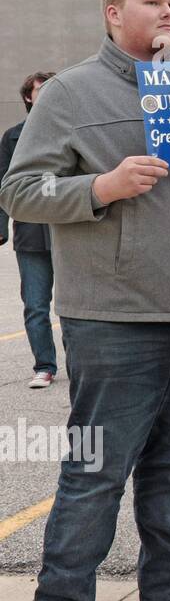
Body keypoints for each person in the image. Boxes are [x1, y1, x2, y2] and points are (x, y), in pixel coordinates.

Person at [0, 0, 170, 601]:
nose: (168, 11)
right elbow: (19, 191)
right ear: (113, 13)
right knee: (95, 476)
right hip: (115, 318)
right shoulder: (71, 93)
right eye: (151, 1)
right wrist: (101, 188)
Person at [0, 72, 58, 388]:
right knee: (36, 305)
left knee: (74, 306)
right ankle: (45, 366)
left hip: (69, 230)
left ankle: (79, 367)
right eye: (41, 89)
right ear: (28, 97)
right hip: (31, 234)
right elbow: (3, 185)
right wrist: (1, 227)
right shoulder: (11, 137)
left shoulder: (69, 128)